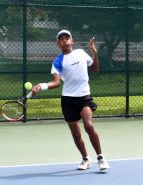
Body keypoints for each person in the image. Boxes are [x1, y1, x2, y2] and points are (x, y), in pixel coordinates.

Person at [30, 30, 110, 171]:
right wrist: (40, 86)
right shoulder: (57, 61)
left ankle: (101, 158)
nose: (65, 40)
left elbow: (95, 69)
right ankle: (85, 159)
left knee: (89, 126)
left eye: (67, 38)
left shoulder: (81, 53)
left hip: (84, 97)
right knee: (76, 133)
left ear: (72, 41)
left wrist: (94, 53)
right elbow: (56, 83)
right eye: (61, 39)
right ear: (58, 44)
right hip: (68, 100)